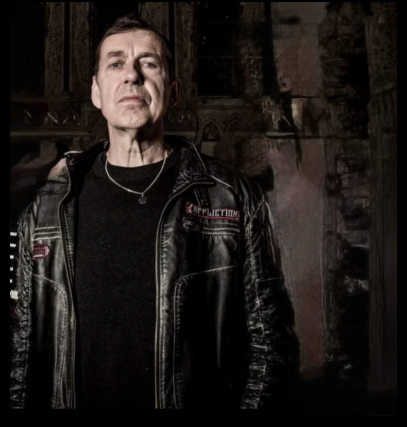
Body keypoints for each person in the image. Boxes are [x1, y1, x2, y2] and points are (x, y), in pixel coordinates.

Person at [10, 14, 290, 409]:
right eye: (115, 64)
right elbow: (22, 353)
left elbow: (270, 344)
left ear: (173, 91)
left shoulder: (231, 197)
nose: (132, 76)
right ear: (96, 92)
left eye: (149, 63)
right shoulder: (47, 209)